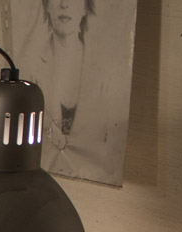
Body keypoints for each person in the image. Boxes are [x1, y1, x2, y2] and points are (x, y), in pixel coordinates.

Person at [14, 0, 132, 185]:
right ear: (46, 6)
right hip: (40, 181)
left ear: (86, 7)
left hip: (95, 187)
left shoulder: (104, 68)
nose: (64, 4)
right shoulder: (30, 66)